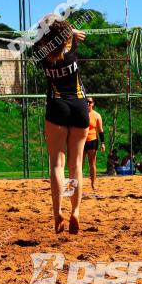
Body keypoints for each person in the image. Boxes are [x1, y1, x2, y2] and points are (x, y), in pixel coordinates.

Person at [32, 18, 89, 234]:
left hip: (57, 106)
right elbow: (65, 32)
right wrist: (71, 30)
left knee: (57, 165)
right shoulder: (72, 45)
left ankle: (58, 213)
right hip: (79, 105)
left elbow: (40, 36)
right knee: (76, 166)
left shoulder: (40, 53)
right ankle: (75, 211)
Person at [83, 97, 105, 191]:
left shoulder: (96, 115)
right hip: (81, 141)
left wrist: (102, 143)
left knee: (92, 163)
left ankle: (93, 183)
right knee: (79, 163)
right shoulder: (80, 113)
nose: (88, 103)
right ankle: (77, 183)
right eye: (86, 102)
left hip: (92, 141)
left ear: (93, 104)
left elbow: (100, 131)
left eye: (90, 102)